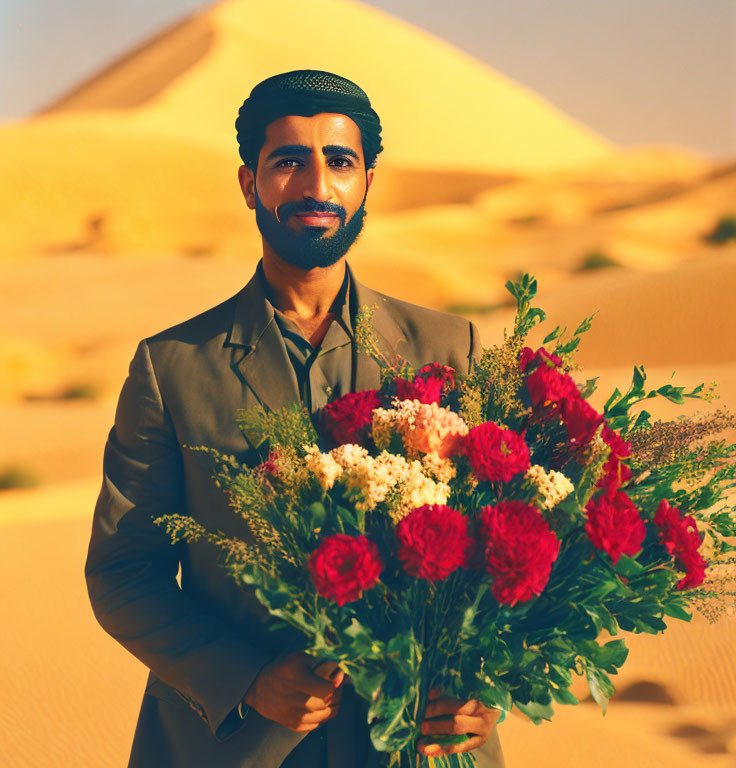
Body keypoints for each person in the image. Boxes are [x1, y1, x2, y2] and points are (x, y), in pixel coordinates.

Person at [85, 69, 506, 768]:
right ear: (250, 183)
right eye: (288, 162)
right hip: (235, 743)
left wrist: (487, 684)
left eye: (339, 162)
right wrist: (244, 679)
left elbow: (511, 551)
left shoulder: (449, 350)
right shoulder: (172, 367)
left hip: (421, 744)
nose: (316, 187)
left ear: (367, 180)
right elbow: (124, 573)